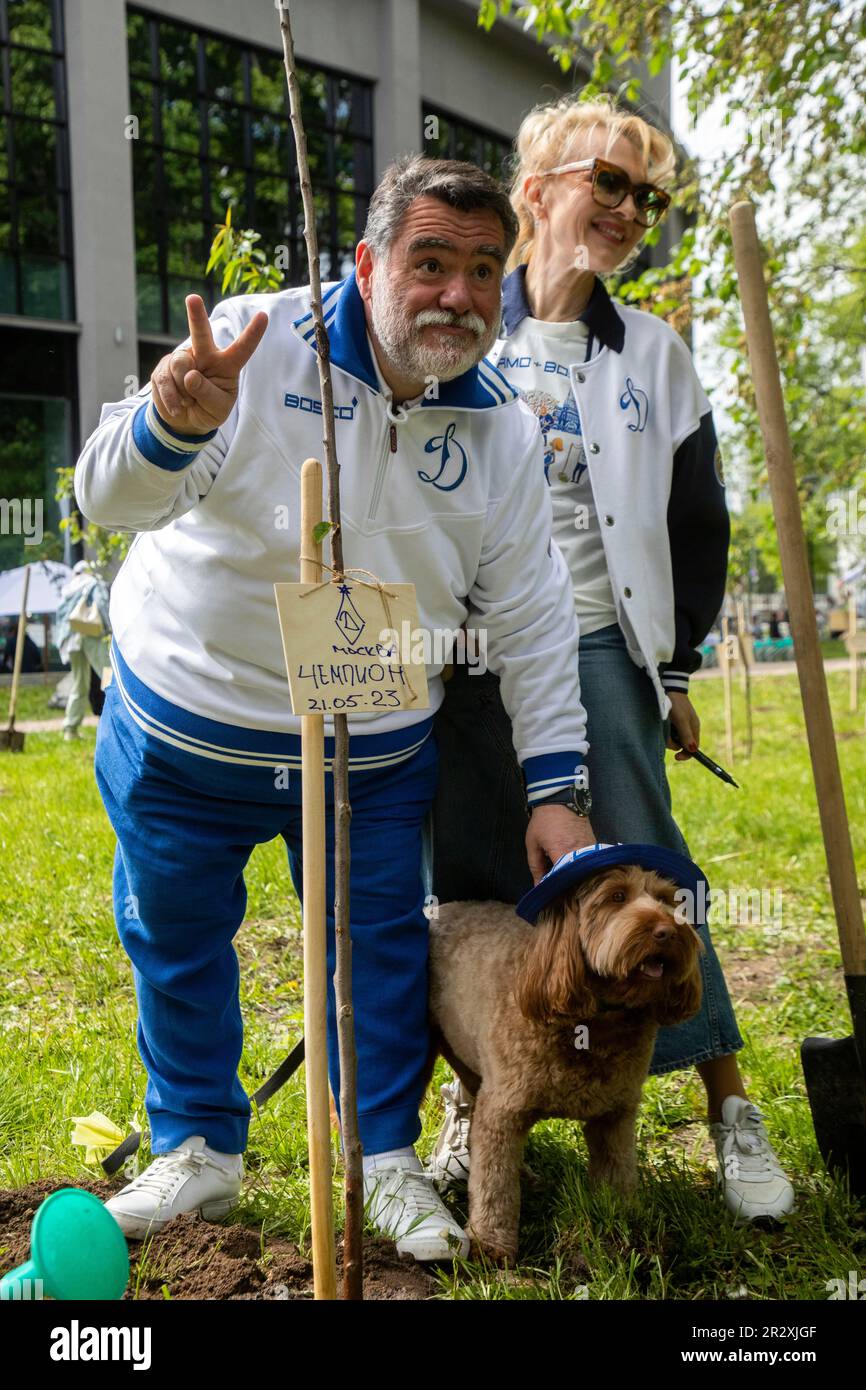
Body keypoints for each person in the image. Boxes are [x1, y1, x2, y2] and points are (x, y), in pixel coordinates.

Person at [74, 156, 593, 1261]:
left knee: (375, 948)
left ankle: (379, 1154)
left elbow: (536, 618)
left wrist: (557, 787)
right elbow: (103, 495)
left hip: (368, 744)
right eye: (429, 263)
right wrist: (172, 417)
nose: (456, 293)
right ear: (364, 265)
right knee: (174, 936)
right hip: (186, 724)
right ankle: (200, 1151)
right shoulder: (251, 352)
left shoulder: (502, 427)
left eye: (481, 270)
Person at [429, 95, 794, 1223]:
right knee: (481, 882)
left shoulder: (653, 355)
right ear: (534, 185)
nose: (631, 210)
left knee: (649, 889)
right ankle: (480, 1094)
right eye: (610, 182)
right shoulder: (458, 327)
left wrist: (674, 670)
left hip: (593, 641)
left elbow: (696, 521)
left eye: (647, 197)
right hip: (457, 652)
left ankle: (730, 1110)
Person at [53, 560, 111, 740]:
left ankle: (70, 729)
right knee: (109, 677)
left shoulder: (67, 589)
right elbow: (103, 605)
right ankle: (115, 722)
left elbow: (61, 617)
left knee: (79, 683)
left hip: (72, 639)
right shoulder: (94, 583)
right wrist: (110, 631)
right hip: (92, 635)